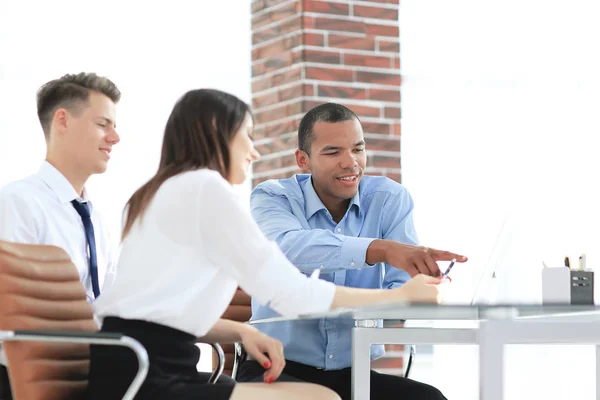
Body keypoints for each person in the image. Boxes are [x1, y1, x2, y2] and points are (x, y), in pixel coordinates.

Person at [86, 89, 449, 400]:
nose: (254, 152)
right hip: (149, 374)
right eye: (247, 136)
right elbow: (292, 293)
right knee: (319, 398)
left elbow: (160, 311)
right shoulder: (206, 190)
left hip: (127, 362)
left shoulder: (161, 192)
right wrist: (399, 297)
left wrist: (241, 330)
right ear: (218, 135)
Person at [236, 102, 468, 400]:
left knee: (428, 398)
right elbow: (288, 248)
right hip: (274, 368)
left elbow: (401, 290)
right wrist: (380, 249)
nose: (351, 162)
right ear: (303, 160)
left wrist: (421, 291)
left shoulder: (389, 198)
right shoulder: (272, 197)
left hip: (353, 371)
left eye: (358, 149)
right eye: (333, 152)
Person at [0, 72, 121, 400]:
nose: (115, 137)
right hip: (29, 378)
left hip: (91, 368)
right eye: (103, 124)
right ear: (63, 121)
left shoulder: (96, 219)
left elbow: (110, 305)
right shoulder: (17, 204)